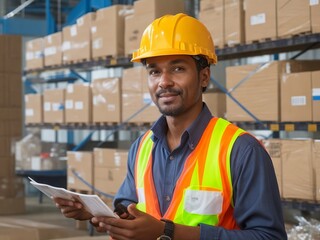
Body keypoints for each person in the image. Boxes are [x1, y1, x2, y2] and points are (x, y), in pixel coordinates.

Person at [54, 13, 287, 240]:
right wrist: (99, 215)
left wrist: (168, 233)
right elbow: (131, 211)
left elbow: (268, 236)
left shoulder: (241, 151)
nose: (164, 81)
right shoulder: (141, 148)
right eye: (154, 71)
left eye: (177, 69)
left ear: (204, 76)